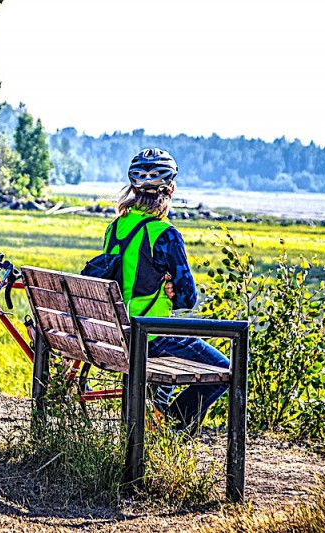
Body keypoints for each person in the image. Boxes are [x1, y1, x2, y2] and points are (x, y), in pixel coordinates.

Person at [104, 148, 229, 432]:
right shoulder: (165, 233)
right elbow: (187, 298)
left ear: (133, 189)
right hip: (151, 335)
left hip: (115, 332)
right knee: (224, 369)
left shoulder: (114, 228)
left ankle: (158, 413)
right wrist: (172, 290)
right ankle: (169, 428)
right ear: (170, 189)